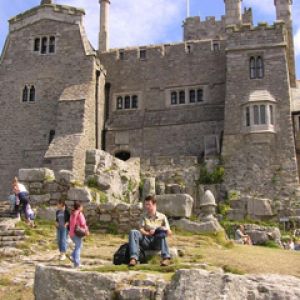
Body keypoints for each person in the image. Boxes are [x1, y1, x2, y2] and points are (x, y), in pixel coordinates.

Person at [128, 195, 172, 267]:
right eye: (145, 204)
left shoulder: (162, 217)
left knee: (162, 233)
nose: (146, 206)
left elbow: (169, 232)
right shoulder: (143, 216)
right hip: (146, 240)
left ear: (154, 204)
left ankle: (166, 258)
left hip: (157, 241)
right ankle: (133, 258)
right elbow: (141, 229)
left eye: (148, 204)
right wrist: (148, 233)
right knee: (133, 232)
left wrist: (159, 229)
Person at [69, 201, 89, 268]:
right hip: (77, 232)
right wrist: (86, 231)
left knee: (79, 246)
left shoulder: (72, 214)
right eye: (82, 206)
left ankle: (72, 256)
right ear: (79, 207)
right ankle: (77, 263)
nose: (82, 207)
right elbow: (83, 224)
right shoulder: (79, 214)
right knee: (78, 247)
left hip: (72, 233)